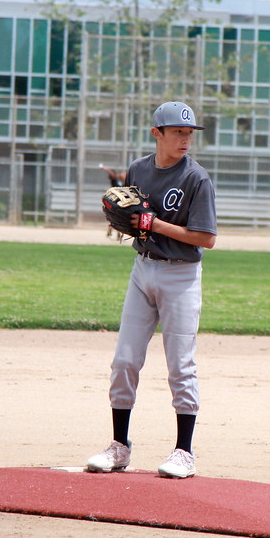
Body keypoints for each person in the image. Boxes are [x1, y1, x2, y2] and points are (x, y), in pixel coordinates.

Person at [86, 101, 217, 479]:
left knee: (181, 366)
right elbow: (134, 217)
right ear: (156, 133)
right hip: (143, 269)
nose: (185, 139)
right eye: (178, 132)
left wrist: (154, 224)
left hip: (181, 276)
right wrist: (124, 218)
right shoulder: (140, 169)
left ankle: (183, 452)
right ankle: (119, 446)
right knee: (125, 360)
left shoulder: (197, 178)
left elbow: (206, 238)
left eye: (189, 133)